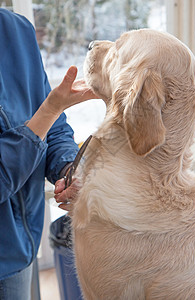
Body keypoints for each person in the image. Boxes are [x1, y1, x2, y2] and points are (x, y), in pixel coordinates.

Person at [0, 8, 96, 300]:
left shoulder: (17, 30)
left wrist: (68, 169)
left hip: (24, 245)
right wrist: (51, 109)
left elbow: (52, 129)